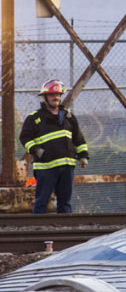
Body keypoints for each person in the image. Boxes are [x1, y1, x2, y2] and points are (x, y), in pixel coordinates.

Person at [19, 79, 89, 214]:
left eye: (58, 95)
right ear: (44, 97)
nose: (55, 98)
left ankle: (65, 230)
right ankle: (39, 231)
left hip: (67, 167)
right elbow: (25, 138)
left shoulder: (69, 117)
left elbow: (78, 139)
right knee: (41, 202)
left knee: (65, 203)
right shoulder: (34, 118)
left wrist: (83, 156)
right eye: (51, 95)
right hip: (46, 167)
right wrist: (37, 151)